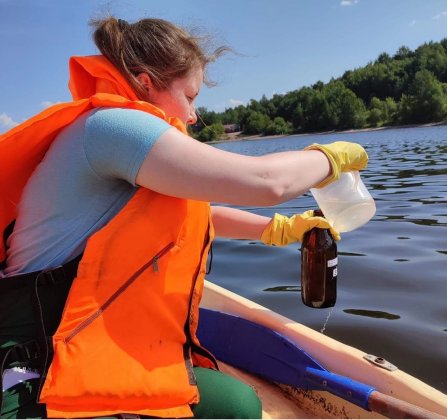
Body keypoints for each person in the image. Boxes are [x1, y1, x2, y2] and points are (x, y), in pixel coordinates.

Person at [0, 16, 368, 419]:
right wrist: (327, 158)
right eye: (190, 95)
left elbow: (193, 214)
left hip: (72, 336)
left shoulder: (120, 133)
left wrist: (279, 229)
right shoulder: (113, 127)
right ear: (145, 82)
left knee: (236, 405)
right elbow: (265, 182)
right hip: (31, 357)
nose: (194, 115)